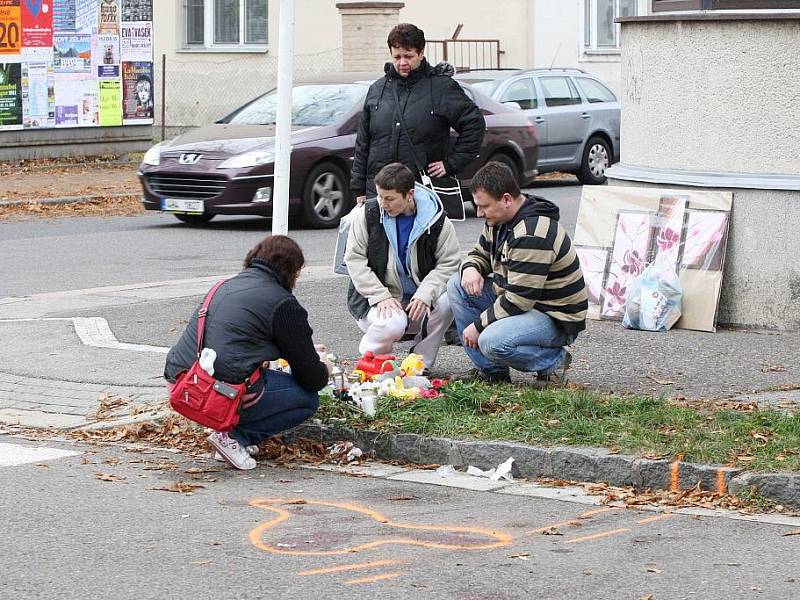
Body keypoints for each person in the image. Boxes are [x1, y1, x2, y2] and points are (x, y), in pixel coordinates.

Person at [164, 235, 332, 470]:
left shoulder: (225, 286)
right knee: (306, 399)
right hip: (219, 396)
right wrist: (324, 365)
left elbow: (237, 339)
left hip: (182, 384)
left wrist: (304, 350)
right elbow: (311, 378)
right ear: (292, 271)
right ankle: (234, 437)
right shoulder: (283, 304)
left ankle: (229, 435)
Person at [447, 162, 588, 385]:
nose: (480, 212)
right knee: (457, 285)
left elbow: (519, 300)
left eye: (484, 206)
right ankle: (492, 372)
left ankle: (553, 361)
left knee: (491, 341)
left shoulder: (532, 234)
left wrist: (478, 325)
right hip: (524, 302)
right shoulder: (499, 220)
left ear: (506, 199)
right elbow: (480, 253)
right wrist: (472, 267)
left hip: (554, 316)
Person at [350, 22, 485, 202]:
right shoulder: (378, 89)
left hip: (422, 192)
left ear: (421, 53)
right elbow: (363, 142)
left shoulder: (441, 87)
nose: (402, 62)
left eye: (408, 56)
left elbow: (474, 124)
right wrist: (359, 189)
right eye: (397, 57)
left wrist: (451, 164)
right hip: (379, 193)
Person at [346, 162, 460, 369]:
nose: (382, 203)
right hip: (375, 300)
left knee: (448, 300)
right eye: (380, 196)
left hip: (418, 302)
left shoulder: (437, 220)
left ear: (410, 194)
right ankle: (370, 364)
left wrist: (426, 293)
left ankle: (419, 365)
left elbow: (449, 263)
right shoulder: (367, 214)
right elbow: (354, 260)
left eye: (389, 198)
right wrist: (380, 296)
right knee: (393, 323)